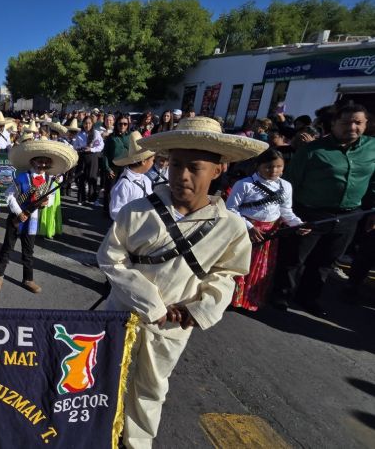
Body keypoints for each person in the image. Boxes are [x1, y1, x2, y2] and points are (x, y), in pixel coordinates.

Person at [96, 116, 267, 449]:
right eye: (175, 165)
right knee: (105, 378)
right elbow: (111, 259)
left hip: (172, 326)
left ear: (218, 169)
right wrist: (151, 304)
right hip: (120, 314)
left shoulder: (229, 226)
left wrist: (200, 309)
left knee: (151, 388)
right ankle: (97, 435)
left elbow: (227, 274)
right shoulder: (137, 211)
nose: (182, 176)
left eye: (194, 167)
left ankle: (137, 443)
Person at [272, 103, 375, 316]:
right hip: (310, 213)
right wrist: (286, 216)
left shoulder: (372, 148)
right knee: (294, 258)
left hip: (349, 216)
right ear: (334, 124)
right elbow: (290, 184)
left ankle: (308, 297)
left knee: (326, 261)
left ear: (366, 125)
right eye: (346, 122)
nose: (352, 127)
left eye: (358, 122)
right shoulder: (312, 151)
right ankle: (282, 294)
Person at [0, 139, 77, 294]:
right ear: (33, 161)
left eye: (46, 162)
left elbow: (50, 200)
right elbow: (9, 195)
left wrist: (46, 203)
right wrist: (19, 213)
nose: (43, 165)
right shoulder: (22, 177)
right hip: (16, 219)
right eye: (40, 161)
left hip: (33, 220)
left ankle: (28, 279)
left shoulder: (49, 180)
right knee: (7, 248)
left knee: (28, 251)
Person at [226, 148, 307, 312]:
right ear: (258, 166)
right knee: (239, 265)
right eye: (269, 167)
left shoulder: (286, 186)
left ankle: (250, 298)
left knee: (260, 268)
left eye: (278, 167)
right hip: (244, 232)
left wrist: (297, 224)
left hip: (269, 234)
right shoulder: (244, 184)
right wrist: (249, 227)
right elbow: (230, 209)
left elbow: (286, 211)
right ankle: (230, 298)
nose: (274, 171)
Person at [108, 132, 154, 221]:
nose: (153, 163)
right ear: (143, 161)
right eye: (152, 160)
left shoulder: (146, 179)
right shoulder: (124, 185)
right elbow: (116, 212)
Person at [39, 124, 71, 236]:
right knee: (42, 205)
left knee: (51, 206)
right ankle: (40, 229)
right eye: (51, 133)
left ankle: (49, 230)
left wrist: (59, 175)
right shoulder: (39, 145)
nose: (53, 136)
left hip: (53, 180)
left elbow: (61, 164)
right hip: (43, 179)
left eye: (54, 134)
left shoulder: (59, 146)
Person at [72, 116, 104, 206]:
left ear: (92, 124)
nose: (87, 125)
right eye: (86, 123)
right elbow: (75, 146)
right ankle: (81, 198)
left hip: (93, 156)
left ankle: (92, 198)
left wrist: (91, 149)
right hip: (82, 156)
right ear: (83, 124)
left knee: (92, 177)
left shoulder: (96, 133)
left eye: (89, 123)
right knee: (81, 177)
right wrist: (81, 148)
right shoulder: (79, 134)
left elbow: (101, 146)